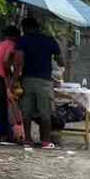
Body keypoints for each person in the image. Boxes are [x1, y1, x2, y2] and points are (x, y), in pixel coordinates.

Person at [12, 17, 64, 149]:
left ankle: (28, 140)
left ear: (24, 28)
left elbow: (18, 61)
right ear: (38, 27)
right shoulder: (49, 40)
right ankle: (45, 142)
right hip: (44, 81)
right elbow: (61, 61)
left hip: (27, 80)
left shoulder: (22, 40)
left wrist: (14, 79)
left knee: (26, 112)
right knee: (45, 112)